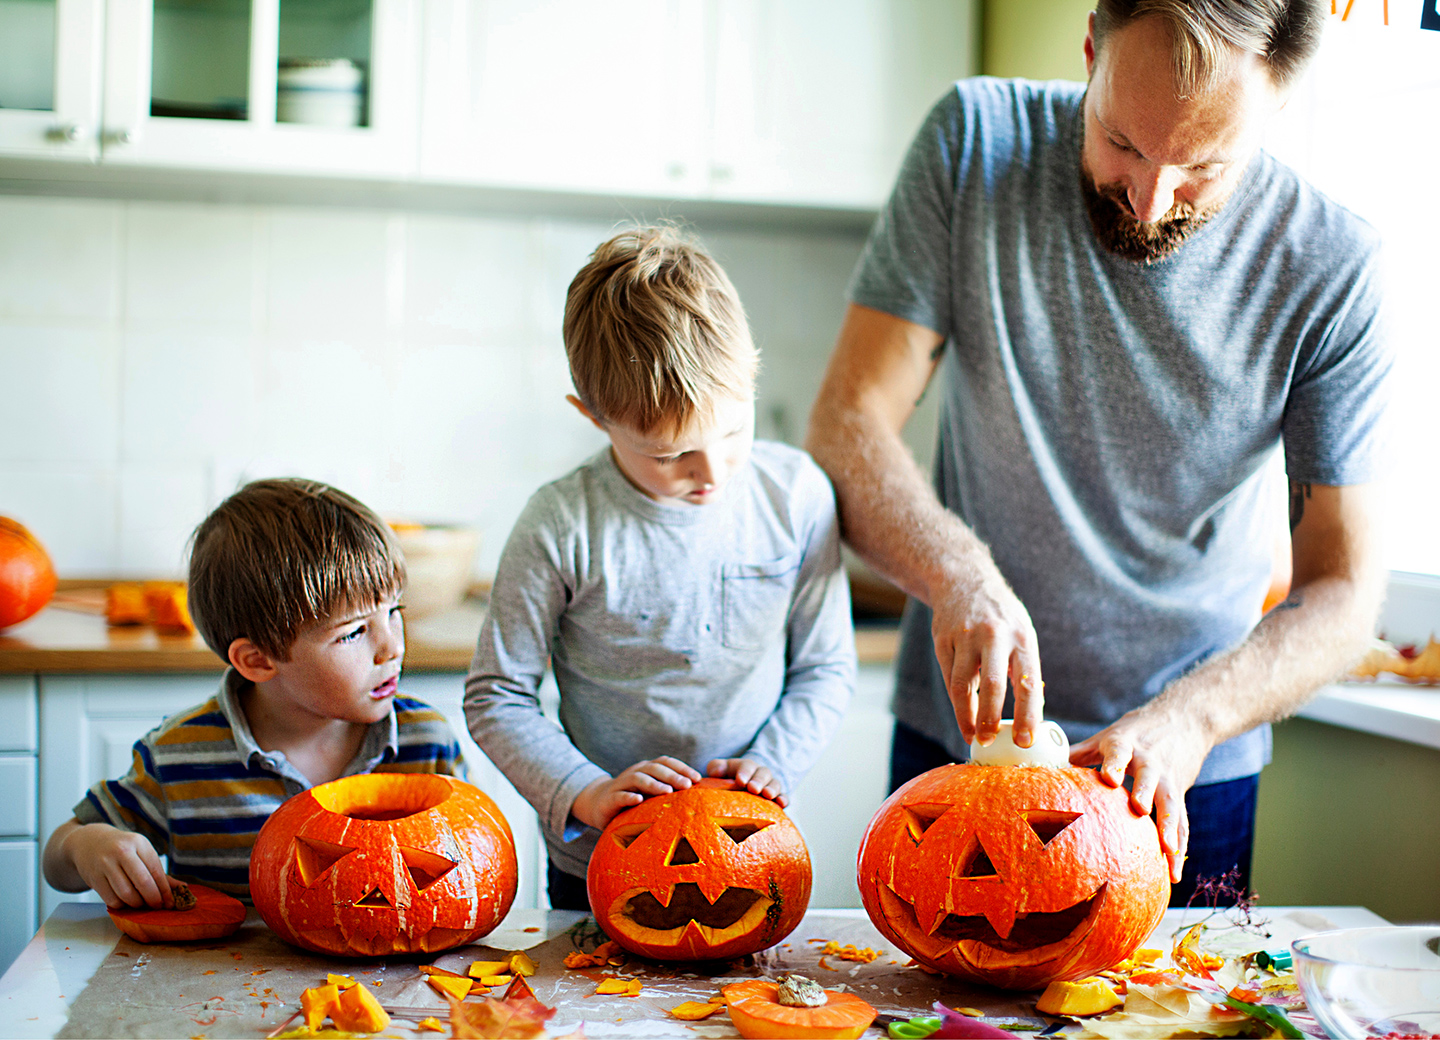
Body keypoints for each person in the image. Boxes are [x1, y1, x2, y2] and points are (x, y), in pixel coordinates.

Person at [805, 0, 1391, 906]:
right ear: (1091, 48)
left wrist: (1189, 722)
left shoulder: (1333, 268)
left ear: (1277, 109)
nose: (1149, 199)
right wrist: (958, 572)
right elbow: (848, 422)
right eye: (1122, 140)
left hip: (1185, 773)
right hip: (961, 746)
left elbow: (1344, 591)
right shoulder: (976, 144)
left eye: (1201, 166)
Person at [465, 226, 856, 911]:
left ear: (751, 374)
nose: (711, 472)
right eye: (670, 455)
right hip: (595, 860)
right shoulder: (560, 524)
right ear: (592, 417)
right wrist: (584, 792)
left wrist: (776, 762)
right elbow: (496, 695)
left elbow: (825, 667)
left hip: (748, 847)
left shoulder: (797, 496)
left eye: (734, 432)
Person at [42, 479, 466, 908]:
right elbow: (56, 863)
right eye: (354, 632)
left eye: (394, 612)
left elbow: (465, 871)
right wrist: (87, 846)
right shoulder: (179, 756)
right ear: (258, 660)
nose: (393, 646)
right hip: (217, 975)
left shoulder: (425, 743)